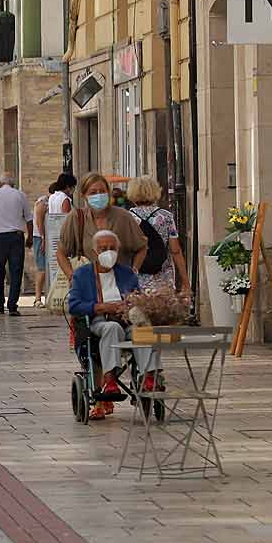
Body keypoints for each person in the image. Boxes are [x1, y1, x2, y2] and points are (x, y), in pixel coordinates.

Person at [67, 229, 159, 419]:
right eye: (103, 248)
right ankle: (109, 380)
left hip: (126, 320)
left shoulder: (127, 273)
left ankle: (149, 376)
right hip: (100, 321)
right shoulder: (82, 275)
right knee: (112, 328)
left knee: (143, 330)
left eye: (112, 248)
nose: (108, 252)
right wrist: (101, 307)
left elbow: (139, 297)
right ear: (95, 251)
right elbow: (74, 305)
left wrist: (131, 304)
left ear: (118, 250)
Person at [55, 171, 146, 285]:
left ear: (108, 193)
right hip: (88, 286)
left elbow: (142, 247)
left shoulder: (123, 217)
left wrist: (134, 272)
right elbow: (61, 253)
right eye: (93, 192)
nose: (98, 195)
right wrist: (72, 277)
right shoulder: (77, 217)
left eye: (102, 191)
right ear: (84, 196)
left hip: (120, 284)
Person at [127, 175, 190, 297]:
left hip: (136, 277)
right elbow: (175, 250)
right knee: (162, 313)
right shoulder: (165, 216)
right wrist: (185, 282)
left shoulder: (127, 217)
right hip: (162, 278)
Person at [0, 175, 32, 316]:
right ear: (13, 184)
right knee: (16, 270)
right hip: (16, 236)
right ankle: (12, 305)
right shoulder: (20, 195)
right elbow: (29, 218)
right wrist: (29, 237)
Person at [31, 174, 75, 308]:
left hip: (52, 235)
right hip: (62, 236)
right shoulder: (65, 199)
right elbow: (66, 219)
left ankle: (50, 296)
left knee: (51, 269)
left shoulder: (52, 198)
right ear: (68, 186)